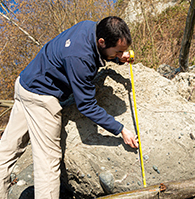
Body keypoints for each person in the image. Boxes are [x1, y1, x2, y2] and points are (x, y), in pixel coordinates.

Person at [0, 16, 139, 199]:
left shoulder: (91, 27)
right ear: (102, 41)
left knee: (6, 152)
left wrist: (119, 57)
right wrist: (120, 129)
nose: (121, 53)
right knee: (47, 163)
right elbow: (86, 105)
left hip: (25, 84)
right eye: (118, 50)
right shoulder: (80, 58)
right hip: (41, 98)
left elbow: (102, 53)